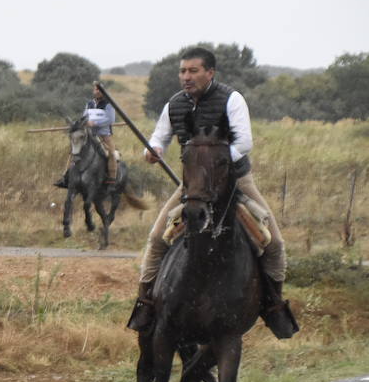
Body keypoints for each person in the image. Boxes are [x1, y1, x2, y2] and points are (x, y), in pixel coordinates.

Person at [127, 46, 298, 338]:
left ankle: (273, 306)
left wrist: (212, 165)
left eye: (193, 71)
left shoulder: (232, 99)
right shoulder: (175, 105)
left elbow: (244, 142)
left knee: (275, 245)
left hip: (236, 181)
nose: (186, 77)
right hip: (191, 185)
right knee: (157, 238)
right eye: (182, 71)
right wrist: (152, 151)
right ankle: (147, 303)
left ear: (210, 72)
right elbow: (159, 138)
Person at [54, 82, 118, 187]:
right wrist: (78, 124)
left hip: (104, 134)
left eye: (99, 90)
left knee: (111, 153)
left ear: (103, 91)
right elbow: (84, 117)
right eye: (95, 90)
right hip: (89, 134)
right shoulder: (89, 104)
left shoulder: (109, 104)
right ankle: (66, 177)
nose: (97, 91)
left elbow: (111, 119)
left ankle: (112, 178)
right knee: (75, 151)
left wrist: (95, 123)